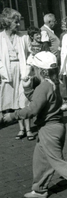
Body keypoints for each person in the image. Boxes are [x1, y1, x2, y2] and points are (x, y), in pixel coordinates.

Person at [2, 51, 67, 198]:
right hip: (56, 127)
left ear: (42, 70)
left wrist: (13, 115)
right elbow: (41, 102)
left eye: (34, 68)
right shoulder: (55, 83)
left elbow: (33, 109)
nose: (33, 72)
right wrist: (27, 90)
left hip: (49, 129)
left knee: (57, 161)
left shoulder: (43, 86)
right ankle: (40, 189)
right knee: (40, 159)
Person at [0, 8, 32, 140]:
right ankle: (21, 129)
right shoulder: (0, 38)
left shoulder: (23, 37)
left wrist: (28, 70)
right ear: (7, 22)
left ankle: (29, 129)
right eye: (16, 22)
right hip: (6, 71)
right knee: (13, 102)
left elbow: (30, 55)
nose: (18, 25)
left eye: (19, 22)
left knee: (23, 100)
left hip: (22, 70)